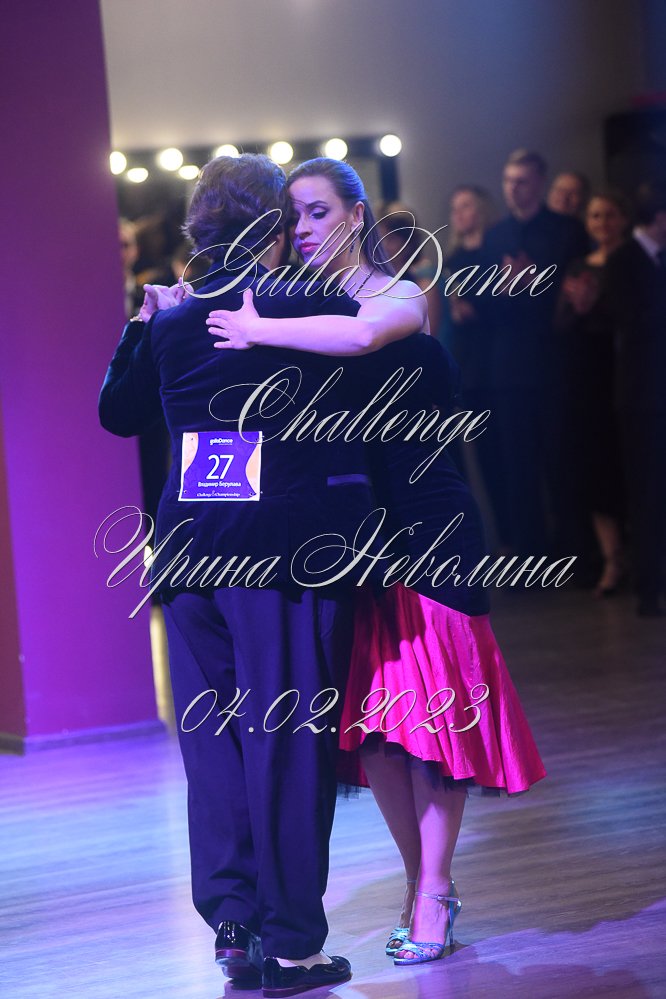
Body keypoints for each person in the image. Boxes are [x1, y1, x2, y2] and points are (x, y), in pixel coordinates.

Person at [207, 157, 547, 967]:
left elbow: (359, 337)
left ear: (356, 215)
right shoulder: (298, 305)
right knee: (382, 734)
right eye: (293, 217)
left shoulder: (399, 297)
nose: (303, 229)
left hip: (430, 525)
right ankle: (420, 880)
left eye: (319, 212)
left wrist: (257, 329)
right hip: (356, 538)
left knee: (436, 720)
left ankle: (435, 888)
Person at [99, 153, 398, 996]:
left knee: (215, 748)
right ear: (272, 224)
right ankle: (294, 945)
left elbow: (116, 413)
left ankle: (235, 925)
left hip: (190, 556)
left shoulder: (174, 317)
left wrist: (143, 322)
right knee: (288, 745)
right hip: (276, 559)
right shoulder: (300, 303)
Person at [481, 149, 589, 557]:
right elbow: (485, 306)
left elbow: (573, 300)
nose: (513, 189)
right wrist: (506, 288)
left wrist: (535, 284)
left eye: (522, 181)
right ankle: (530, 557)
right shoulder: (495, 236)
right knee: (518, 466)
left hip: (555, 362)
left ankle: (575, 555)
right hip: (509, 367)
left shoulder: (567, 231)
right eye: (508, 181)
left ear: (540, 182)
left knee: (563, 462)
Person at [556, 191, 630, 596]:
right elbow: (560, 324)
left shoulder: (635, 262)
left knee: (631, 469)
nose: (602, 223)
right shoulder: (578, 266)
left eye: (610, 215)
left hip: (625, 375)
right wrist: (578, 306)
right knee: (597, 472)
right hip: (587, 384)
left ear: (623, 220)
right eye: (596, 215)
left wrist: (596, 305)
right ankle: (611, 559)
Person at [604, 183, 666, 617]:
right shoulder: (622, 260)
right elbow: (629, 320)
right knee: (646, 491)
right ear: (659, 218)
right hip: (642, 394)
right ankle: (648, 587)